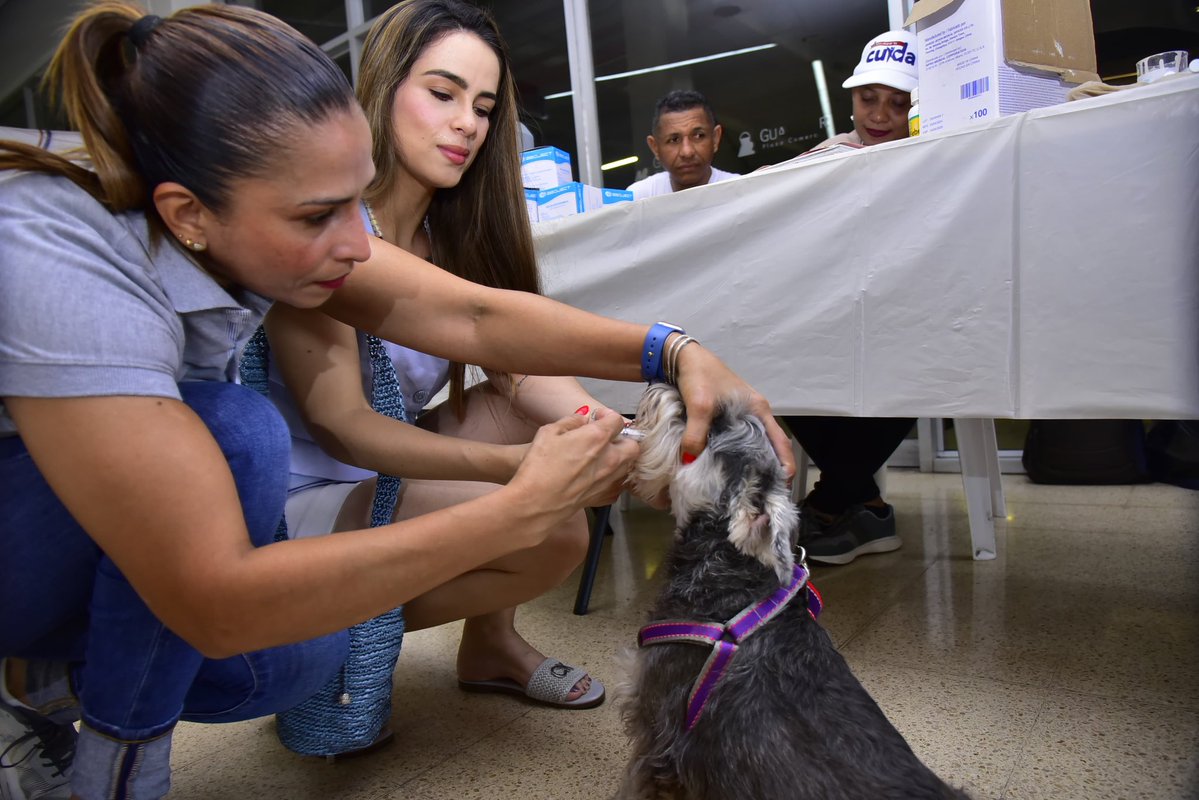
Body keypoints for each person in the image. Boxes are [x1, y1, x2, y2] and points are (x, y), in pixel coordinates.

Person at [0, 3, 795, 799]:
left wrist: (673, 356)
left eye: (483, 106)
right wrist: (515, 499)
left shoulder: (263, 221)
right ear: (187, 215)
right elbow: (217, 603)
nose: (355, 246)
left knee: (293, 662)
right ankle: (105, 756)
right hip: (96, 521)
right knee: (239, 438)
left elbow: (473, 320)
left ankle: (56, 667)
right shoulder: (55, 260)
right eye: (319, 215)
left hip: (154, 512)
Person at [265, 0, 606, 720]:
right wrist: (517, 473)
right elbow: (344, 428)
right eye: (442, 93)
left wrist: (609, 434)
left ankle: (489, 644)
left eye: (483, 107)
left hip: (377, 476)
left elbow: (520, 369)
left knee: (534, 419)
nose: (467, 124)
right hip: (300, 496)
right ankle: (319, 631)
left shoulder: (452, 232)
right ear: (383, 90)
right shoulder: (327, 223)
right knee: (551, 522)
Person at [783, 31, 919, 565]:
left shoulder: (945, 155)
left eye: (898, 102)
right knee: (780, 368)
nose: (880, 115)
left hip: (906, 324)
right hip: (840, 320)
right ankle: (864, 503)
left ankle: (832, 499)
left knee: (919, 368)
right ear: (851, 99)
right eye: (869, 98)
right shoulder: (828, 157)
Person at [625, 89, 738, 200]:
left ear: (715, 138)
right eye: (674, 140)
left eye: (699, 136)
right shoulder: (638, 199)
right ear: (655, 147)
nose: (687, 152)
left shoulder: (740, 190)